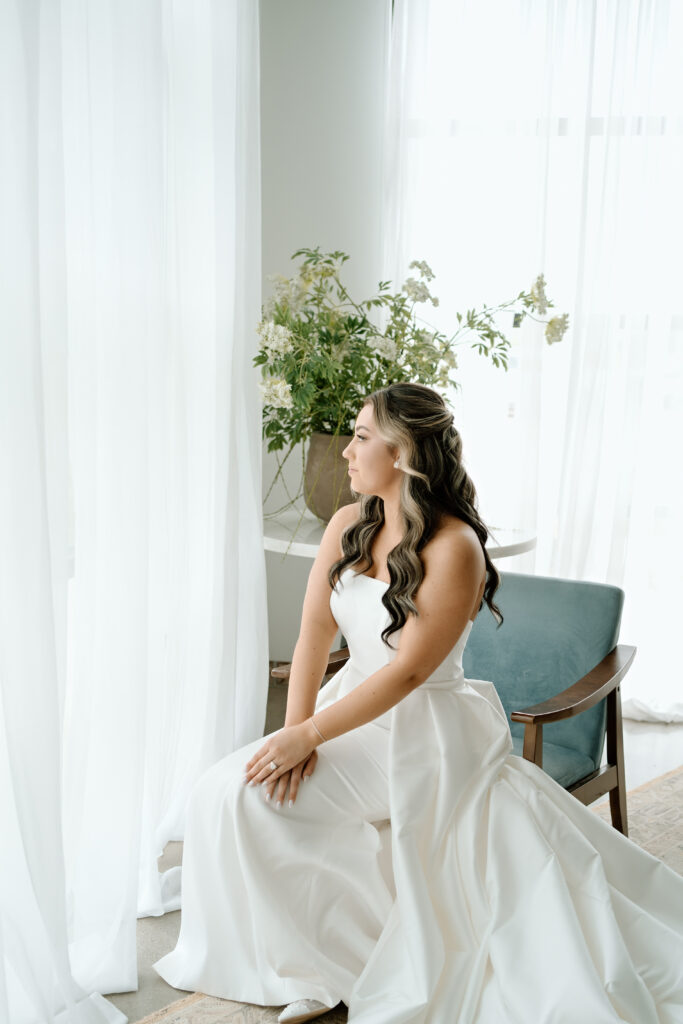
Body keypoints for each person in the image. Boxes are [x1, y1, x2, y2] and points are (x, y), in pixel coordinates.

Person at [154, 382, 683, 1023]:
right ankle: (315, 962)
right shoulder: (349, 524)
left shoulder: (454, 547)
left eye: (360, 437)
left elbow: (407, 675)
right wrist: (292, 732)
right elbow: (314, 634)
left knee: (257, 802)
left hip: (425, 732)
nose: (345, 451)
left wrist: (311, 737)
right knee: (224, 794)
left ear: (403, 453)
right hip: (349, 709)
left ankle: (353, 966)